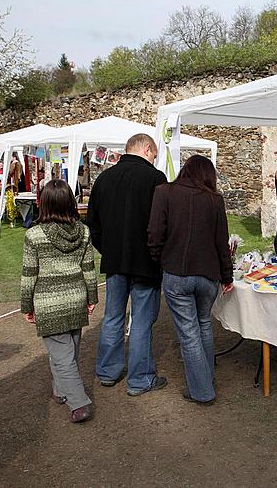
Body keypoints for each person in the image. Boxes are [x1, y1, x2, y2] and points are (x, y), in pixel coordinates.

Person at [148, 156, 234, 405]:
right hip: (206, 274)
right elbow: (222, 243)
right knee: (203, 325)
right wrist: (226, 275)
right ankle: (205, 380)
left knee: (190, 333)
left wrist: (161, 260)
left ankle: (203, 390)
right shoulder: (214, 200)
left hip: (179, 274)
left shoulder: (165, 192)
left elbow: (154, 234)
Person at [87, 133, 168, 396]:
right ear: (146, 149)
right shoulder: (155, 179)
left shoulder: (104, 179)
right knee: (141, 321)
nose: (155, 160)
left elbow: (93, 224)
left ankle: (108, 371)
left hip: (116, 261)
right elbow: (163, 225)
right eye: (154, 155)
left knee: (113, 318)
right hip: (146, 262)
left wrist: (108, 250)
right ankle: (140, 378)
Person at [20, 179, 98, 423]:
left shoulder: (34, 235)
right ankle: (60, 390)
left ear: (43, 203)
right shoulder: (83, 231)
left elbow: (29, 274)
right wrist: (91, 296)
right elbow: (89, 269)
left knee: (64, 354)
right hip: (75, 297)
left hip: (49, 302)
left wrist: (26, 306)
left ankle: (79, 403)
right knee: (68, 350)